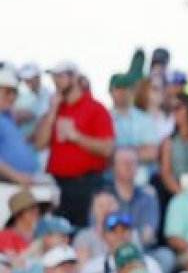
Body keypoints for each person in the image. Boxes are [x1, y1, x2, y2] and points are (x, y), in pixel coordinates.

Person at [34, 61, 115, 227]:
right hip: (57, 186)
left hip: (85, 185)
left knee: (82, 233)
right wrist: (52, 111)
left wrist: (76, 136)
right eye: (54, 76)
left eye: (60, 76)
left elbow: (107, 149)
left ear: (74, 78)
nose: (56, 81)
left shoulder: (96, 108)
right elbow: (39, 144)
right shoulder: (55, 109)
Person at [108, 73, 160, 167]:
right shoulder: (104, 118)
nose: (122, 92)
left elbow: (150, 153)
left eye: (126, 89)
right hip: (110, 178)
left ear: (132, 91)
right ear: (110, 92)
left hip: (140, 178)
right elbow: (103, 152)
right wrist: (137, 150)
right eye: (118, 89)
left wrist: (116, 153)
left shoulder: (145, 119)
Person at [0, 67, 38, 186]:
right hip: (7, 184)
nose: (11, 97)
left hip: (17, 183)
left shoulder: (7, 117)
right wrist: (16, 176)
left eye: (14, 92)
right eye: (7, 92)